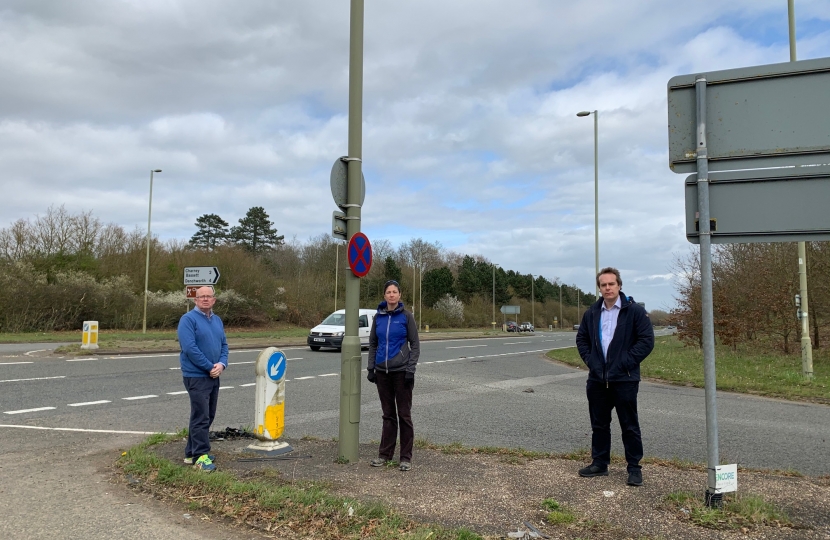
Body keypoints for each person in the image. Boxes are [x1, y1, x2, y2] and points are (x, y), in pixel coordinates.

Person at [575, 267, 654, 487]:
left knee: (629, 425)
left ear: (619, 285)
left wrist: (624, 363)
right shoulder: (592, 312)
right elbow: (582, 340)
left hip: (625, 379)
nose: (607, 288)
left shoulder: (634, 311)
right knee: (599, 424)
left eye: (611, 284)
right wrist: (592, 362)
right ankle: (599, 463)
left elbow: (646, 341)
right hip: (597, 380)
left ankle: (634, 468)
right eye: (603, 285)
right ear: (599, 288)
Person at [366, 280, 420, 471]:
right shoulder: (378, 317)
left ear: (399, 295)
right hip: (382, 373)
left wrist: (410, 370)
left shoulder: (406, 317)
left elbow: (415, 345)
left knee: (404, 415)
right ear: (384, 295)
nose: (391, 295)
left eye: (394, 292)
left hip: (401, 373)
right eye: (388, 292)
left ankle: (405, 457)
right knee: (388, 415)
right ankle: (384, 455)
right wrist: (371, 368)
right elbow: (373, 343)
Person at [177, 285, 228, 473]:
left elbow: (224, 345)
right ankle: (200, 456)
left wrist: (221, 364)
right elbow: (190, 348)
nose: (205, 299)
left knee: (208, 414)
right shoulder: (188, 320)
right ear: (195, 300)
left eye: (209, 296)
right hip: (196, 375)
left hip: (214, 374)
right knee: (201, 416)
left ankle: (191, 453)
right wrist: (209, 367)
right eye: (201, 297)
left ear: (214, 300)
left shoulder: (217, 320)